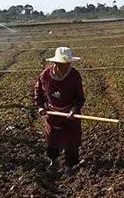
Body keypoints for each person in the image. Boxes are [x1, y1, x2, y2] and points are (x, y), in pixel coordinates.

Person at [33, 47, 85, 176]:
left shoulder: (74, 75)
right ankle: (53, 161)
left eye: (68, 64)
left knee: (71, 141)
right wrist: (40, 106)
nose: (66, 67)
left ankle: (69, 165)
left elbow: (80, 97)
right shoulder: (45, 75)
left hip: (70, 115)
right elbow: (38, 92)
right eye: (63, 64)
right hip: (53, 114)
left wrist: (74, 109)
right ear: (55, 64)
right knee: (52, 140)